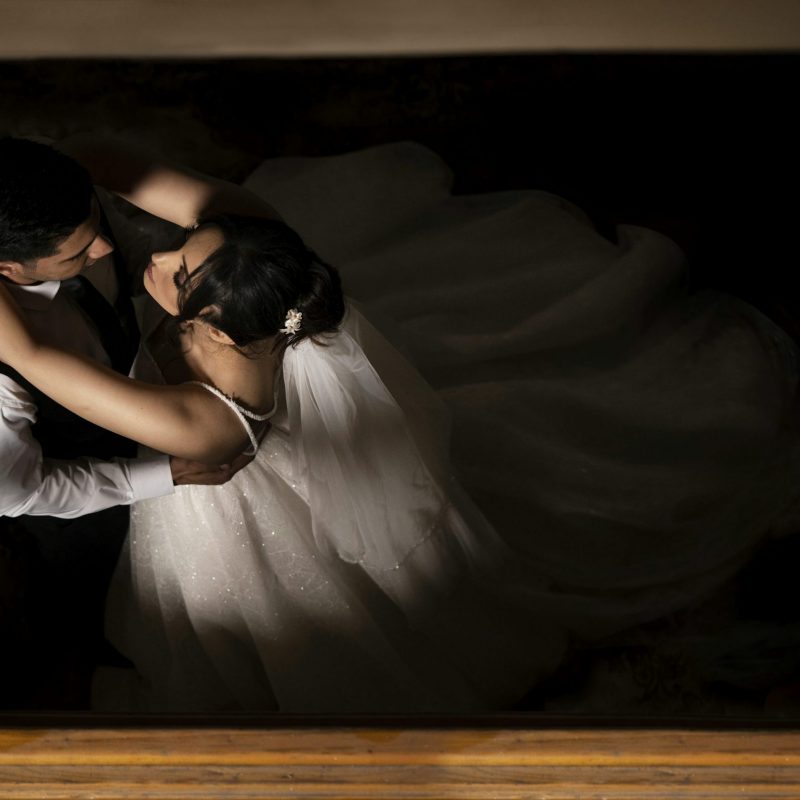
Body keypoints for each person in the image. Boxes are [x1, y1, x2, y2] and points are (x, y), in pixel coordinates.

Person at [2, 137, 799, 712]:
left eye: (177, 271)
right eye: (182, 249)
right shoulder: (265, 244)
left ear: (215, 332)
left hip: (224, 507)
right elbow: (142, 175)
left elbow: (35, 356)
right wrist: (42, 177)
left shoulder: (207, 427)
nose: (144, 255)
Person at [0, 137, 251, 703]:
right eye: (77, 254)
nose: (104, 249)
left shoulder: (67, 205)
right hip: (74, 495)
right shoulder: (5, 366)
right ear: (7, 268)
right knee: (84, 598)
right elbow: (16, 490)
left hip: (149, 396)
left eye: (96, 224)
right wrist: (162, 477)